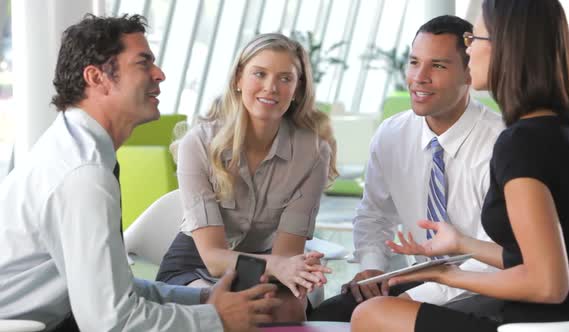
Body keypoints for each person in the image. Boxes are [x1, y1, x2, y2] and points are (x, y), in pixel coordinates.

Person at [0, 14, 282, 331]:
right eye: (143, 63)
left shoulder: (73, 149)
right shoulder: (83, 175)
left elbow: (114, 292)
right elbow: (111, 323)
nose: (159, 75)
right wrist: (216, 320)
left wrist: (202, 300)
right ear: (97, 78)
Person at [350, 0, 569, 331]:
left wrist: (452, 275)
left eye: (474, 39)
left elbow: (548, 283)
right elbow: (541, 256)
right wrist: (463, 245)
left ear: (507, 48)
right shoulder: (567, 128)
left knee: (370, 315)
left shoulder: (518, 142)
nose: (469, 50)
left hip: (535, 322)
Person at [309, 15, 505, 322]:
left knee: (375, 318)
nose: (419, 77)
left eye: (438, 66)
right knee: (326, 317)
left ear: (469, 73)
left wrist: (407, 299)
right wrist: (372, 267)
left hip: (487, 289)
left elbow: (493, 258)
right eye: (414, 62)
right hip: (421, 277)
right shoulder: (392, 134)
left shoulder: (500, 144)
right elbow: (374, 213)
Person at [155, 33, 338, 322]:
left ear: (298, 89)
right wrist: (280, 266)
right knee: (217, 312)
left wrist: (292, 268)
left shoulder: (313, 152)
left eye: (285, 78)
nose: (271, 88)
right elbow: (214, 258)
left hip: (266, 267)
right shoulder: (199, 144)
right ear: (238, 78)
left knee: (287, 309)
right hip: (196, 265)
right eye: (259, 74)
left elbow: (288, 253)